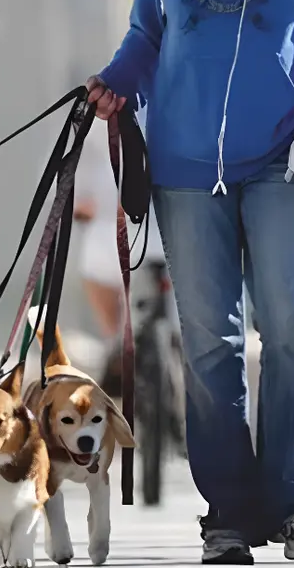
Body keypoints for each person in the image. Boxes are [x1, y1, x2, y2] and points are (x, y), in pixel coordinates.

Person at [87, 0, 294, 564]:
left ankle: (291, 504)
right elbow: (146, 36)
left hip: (284, 160)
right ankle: (228, 515)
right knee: (211, 341)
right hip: (183, 171)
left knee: (291, 325)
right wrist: (113, 84)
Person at [73, 104, 166, 394]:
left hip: (135, 233)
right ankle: (117, 340)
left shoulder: (105, 107)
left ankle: (115, 340)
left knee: (96, 257)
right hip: (152, 230)